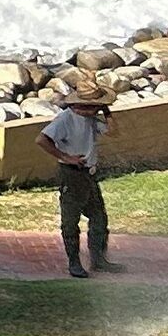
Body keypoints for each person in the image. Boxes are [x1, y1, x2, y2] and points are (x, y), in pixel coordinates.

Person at [41, 75, 114, 278]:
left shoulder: (90, 119)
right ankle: (74, 262)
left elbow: (113, 132)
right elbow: (42, 139)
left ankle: (98, 259)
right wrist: (66, 157)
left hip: (89, 173)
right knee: (70, 220)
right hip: (72, 174)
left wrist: (106, 111)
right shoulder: (65, 119)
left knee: (99, 217)